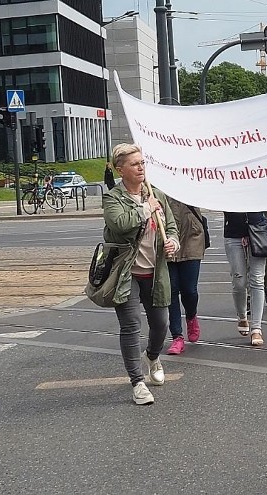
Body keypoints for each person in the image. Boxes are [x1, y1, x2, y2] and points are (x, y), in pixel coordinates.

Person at [103, 143, 179, 405]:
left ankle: (153, 355)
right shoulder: (113, 198)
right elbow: (121, 224)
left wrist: (172, 241)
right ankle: (137, 383)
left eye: (142, 163)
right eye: (134, 164)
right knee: (131, 326)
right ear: (120, 169)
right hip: (126, 274)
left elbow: (171, 226)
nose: (140, 167)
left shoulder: (156, 194)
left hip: (155, 271)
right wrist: (146, 208)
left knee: (161, 324)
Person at [165, 198, 207, 355]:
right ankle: (177, 336)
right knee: (171, 290)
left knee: (189, 290)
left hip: (192, 236)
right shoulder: (156, 177)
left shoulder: (189, 174)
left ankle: (191, 315)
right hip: (166, 238)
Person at [223, 211, 267, 346]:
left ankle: (256, 328)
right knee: (239, 280)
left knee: (257, 280)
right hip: (233, 232)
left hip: (258, 230)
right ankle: (242, 315)